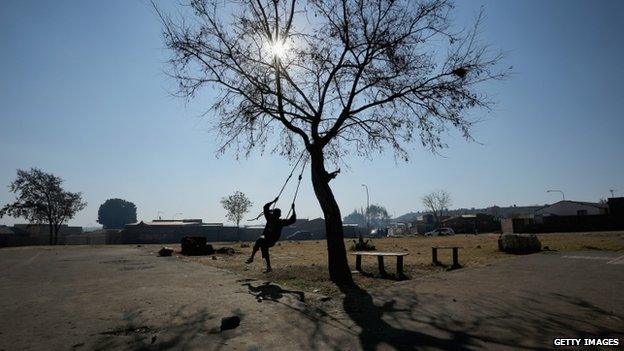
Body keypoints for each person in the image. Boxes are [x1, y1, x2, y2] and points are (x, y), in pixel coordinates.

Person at [245, 197, 296, 272]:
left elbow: (265, 207)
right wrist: (293, 209)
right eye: (277, 213)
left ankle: (254, 259)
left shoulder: (275, 220)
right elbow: (293, 219)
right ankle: (265, 265)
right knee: (261, 242)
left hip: (271, 240)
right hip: (266, 238)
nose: (276, 215)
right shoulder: (275, 220)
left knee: (261, 242)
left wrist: (273, 201)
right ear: (279, 215)